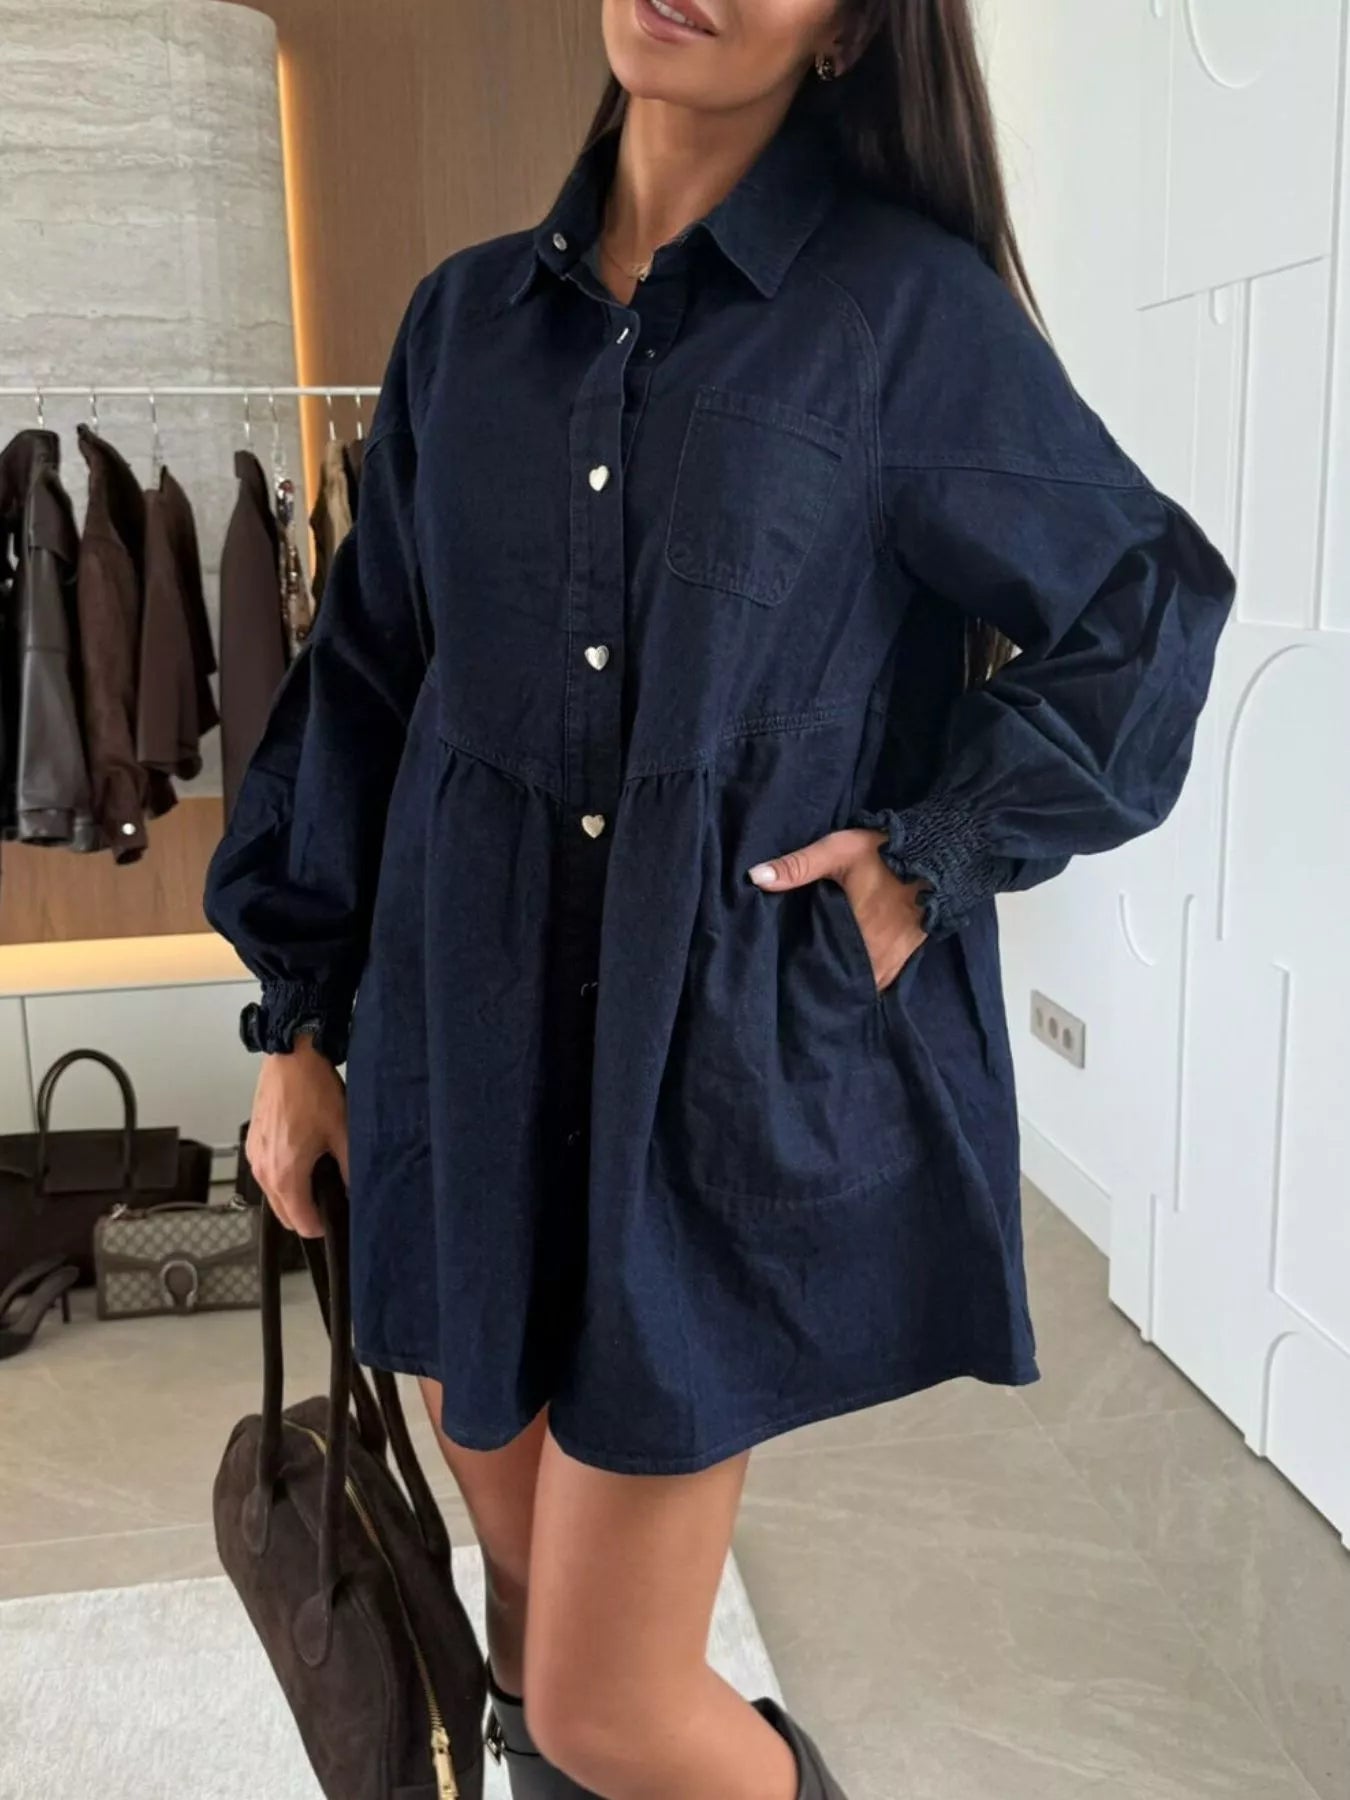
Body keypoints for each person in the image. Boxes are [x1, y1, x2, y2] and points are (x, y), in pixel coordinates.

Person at [203, 1, 1236, 1794]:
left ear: (846, 32)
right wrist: (297, 1021)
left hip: (704, 1082)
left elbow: (1141, 603)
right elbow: (365, 686)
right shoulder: (464, 326)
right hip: (466, 1042)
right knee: (530, 1612)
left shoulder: (899, 316)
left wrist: (934, 850)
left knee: (611, 1695)